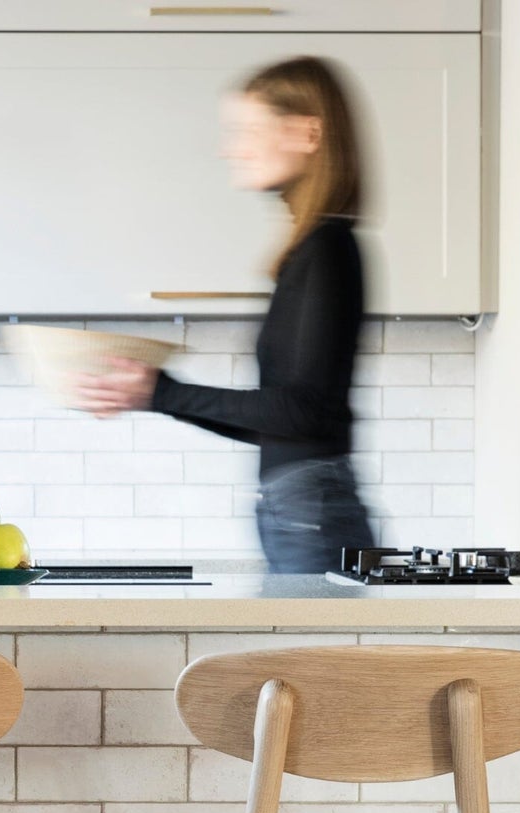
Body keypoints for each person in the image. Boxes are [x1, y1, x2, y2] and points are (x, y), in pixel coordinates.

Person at [74, 56, 374, 575]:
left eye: (247, 129)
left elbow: (304, 414)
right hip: (304, 510)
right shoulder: (312, 250)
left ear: (308, 132)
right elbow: (284, 423)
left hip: (311, 514)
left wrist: (162, 393)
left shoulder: (326, 248)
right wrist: (159, 394)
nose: (229, 147)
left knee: (310, 661)